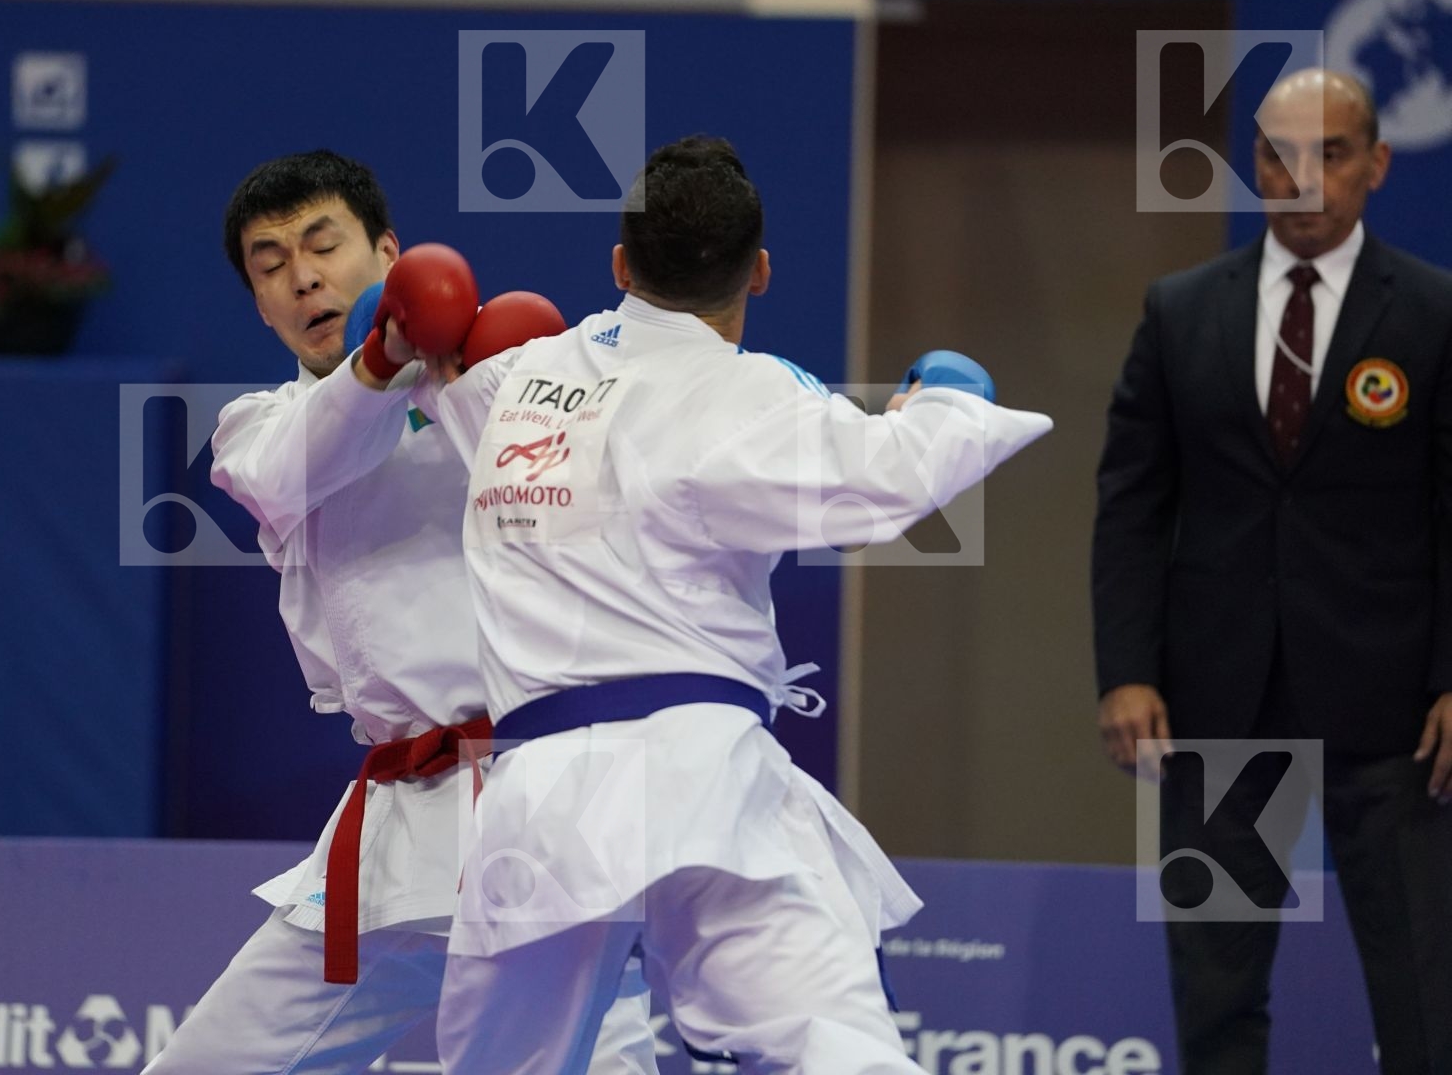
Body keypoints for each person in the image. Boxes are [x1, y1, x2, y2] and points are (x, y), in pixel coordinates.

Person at [379, 136, 1052, 1074]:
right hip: (707, 788)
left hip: (540, 807)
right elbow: (885, 484)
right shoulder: (753, 397)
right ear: (760, 271)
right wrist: (948, 399)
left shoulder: (508, 386)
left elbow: (429, 386)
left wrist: (404, 343)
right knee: (832, 1048)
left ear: (620, 265)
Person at [143, 150, 655, 1075]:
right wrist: (383, 358)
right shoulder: (258, 429)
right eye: (270, 266)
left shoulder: (506, 386)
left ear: (387, 253)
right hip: (399, 826)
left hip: (546, 804)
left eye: (322, 245)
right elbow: (299, 466)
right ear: (259, 306)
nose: (302, 278)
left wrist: (492, 381)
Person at [1093, 69, 1452, 1075]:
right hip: (1218, 704)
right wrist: (1127, 670)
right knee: (1216, 993)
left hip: (1395, 717)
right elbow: (1132, 502)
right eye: (1277, 156)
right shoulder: (1180, 311)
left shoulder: (1434, 314)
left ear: (1376, 164)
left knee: (1425, 999)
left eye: (1329, 155)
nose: (1301, 180)